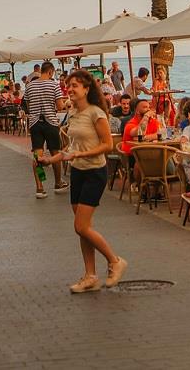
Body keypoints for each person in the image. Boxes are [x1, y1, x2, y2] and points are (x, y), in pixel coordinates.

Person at [39, 70, 128, 293]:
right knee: (83, 228)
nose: (70, 89)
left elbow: (108, 145)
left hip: (94, 172)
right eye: (68, 85)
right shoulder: (75, 112)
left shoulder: (96, 113)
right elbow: (72, 147)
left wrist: (79, 155)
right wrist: (51, 160)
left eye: (75, 86)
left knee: (80, 226)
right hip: (77, 172)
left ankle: (115, 261)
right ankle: (90, 276)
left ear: (86, 89)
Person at [22, 60, 67, 198]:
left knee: (38, 156)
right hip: (51, 122)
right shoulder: (54, 85)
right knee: (55, 154)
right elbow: (59, 106)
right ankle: (58, 182)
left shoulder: (29, 86)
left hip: (35, 123)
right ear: (50, 72)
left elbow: (28, 106)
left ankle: (40, 187)